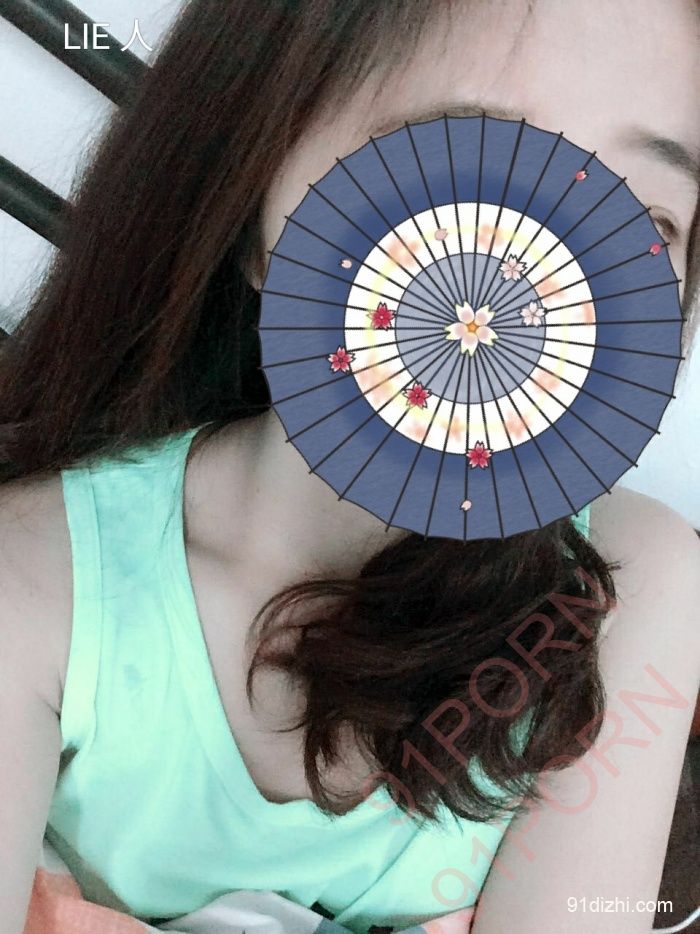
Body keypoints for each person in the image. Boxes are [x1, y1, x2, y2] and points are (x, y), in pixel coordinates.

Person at [0, 0, 698, 932]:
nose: (546, 282)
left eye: (644, 223)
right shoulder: (37, 585)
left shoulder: (631, 579)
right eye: (459, 161)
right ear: (255, 202)